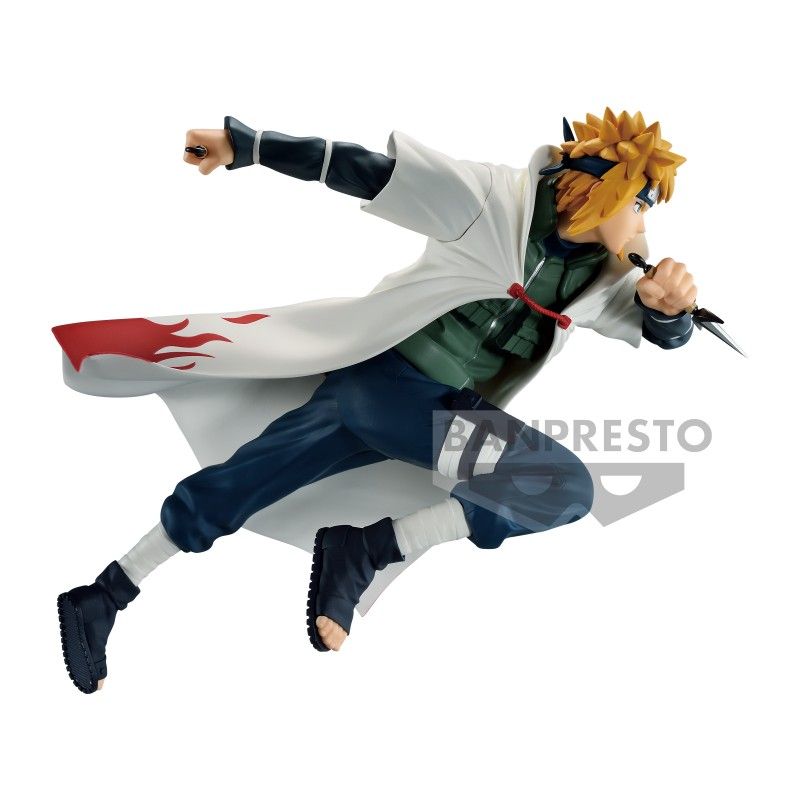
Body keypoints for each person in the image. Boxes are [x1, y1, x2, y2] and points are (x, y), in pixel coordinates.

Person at [55, 108, 694, 693]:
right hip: (387, 387)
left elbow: (660, 330)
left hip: (412, 408)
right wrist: (248, 146)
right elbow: (371, 172)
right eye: (639, 204)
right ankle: (366, 549)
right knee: (554, 481)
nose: (642, 224)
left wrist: (673, 311)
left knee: (235, 486)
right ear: (598, 188)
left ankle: (102, 595)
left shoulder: (605, 275)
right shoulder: (493, 201)